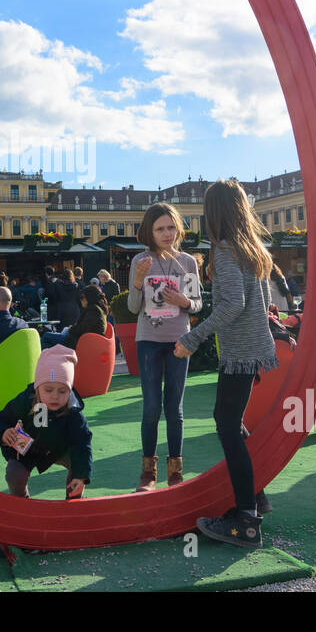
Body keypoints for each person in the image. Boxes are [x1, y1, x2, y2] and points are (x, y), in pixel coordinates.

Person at [173, 180, 276, 547]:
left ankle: (247, 518)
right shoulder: (253, 249)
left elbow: (234, 305)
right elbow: (261, 302)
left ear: (213, 211)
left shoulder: (227, 249)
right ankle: (255, 495)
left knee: (228, 426)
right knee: (229, 422)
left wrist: (192, 338)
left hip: (241, 352)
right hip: (251, 349)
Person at [126, 202, 203, 492]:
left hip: (179, 342)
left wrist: (184, 302)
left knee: (175, 408)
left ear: (179, 228)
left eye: (171, 227)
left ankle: (175, 470)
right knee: (151, 407)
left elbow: (197, 302)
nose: (167, 233)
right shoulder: (140, 261)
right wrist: (135, 282)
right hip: (148, 342)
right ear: (150, 232)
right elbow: (134, 309)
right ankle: (148, 472)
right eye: (160, 229)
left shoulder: (189, 262)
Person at [0, 345, 92, 499]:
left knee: (78, 466)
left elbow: (83, 444)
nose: (55, 396)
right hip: (27, 449)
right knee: (14, 474)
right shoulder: (26, 400)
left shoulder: (73, 411)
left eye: (62, 391)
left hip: (58, 448)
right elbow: (0, 419)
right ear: (37, 388)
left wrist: (81, 475)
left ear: (70, 390)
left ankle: (73, 502)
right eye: (48, 390)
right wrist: (3, 433)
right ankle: (21, 503)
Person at [41, 284, 108, 349]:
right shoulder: (99, 309)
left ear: (89, 298)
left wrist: (70, 329)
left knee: (46, 336)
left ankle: (45, 359)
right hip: (87, 341)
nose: (80, 300)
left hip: (82, 342)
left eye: (82, 297)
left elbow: (82, 329)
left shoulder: (94, 311)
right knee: (49, 343)